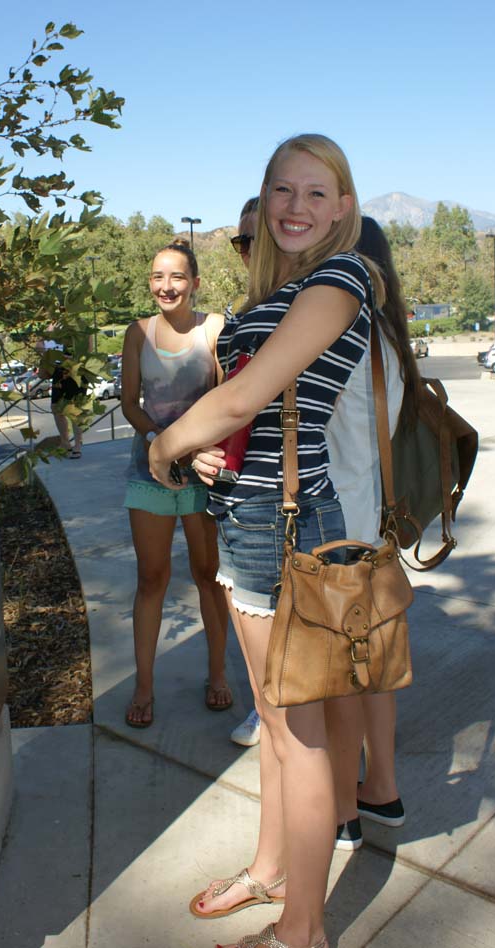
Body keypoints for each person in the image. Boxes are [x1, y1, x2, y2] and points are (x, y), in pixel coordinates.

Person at [150, 134, 383, 948]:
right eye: (282, 190)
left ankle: (303, 933)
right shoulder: (279, 290)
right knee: (278, 730)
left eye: (317, 193)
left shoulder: (343, 276)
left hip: (290, 528)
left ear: (344, 207)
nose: (296, 206)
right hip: (249, 516)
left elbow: (249, 390)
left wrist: (166, 444)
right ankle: (270, 869)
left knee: (302, 740)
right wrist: (212, 449)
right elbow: (247, 411)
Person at [324, 217, 420, 850]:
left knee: (335, 683)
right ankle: (380, 790)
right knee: (374, 671)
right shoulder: (390, 336)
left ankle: (339, 812)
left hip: (336, 534)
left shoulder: (342, 328)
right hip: (374, 530)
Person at [121, 242, 231, 729]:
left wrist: (192, 448)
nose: (166, 286)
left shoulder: (214, 329)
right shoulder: (136, 333)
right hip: (149, 472)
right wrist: (158, 442)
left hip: (204, 472)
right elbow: (129, 403)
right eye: (157, 276)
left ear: (195, 283)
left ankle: (218, 675)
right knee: (152, 580)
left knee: (208, 577)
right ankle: (143, 686)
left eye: (177, 277)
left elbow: (228, 398)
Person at [227, 197, 263, 751]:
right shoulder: (244, 315)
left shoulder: (314, 305)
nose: (252, 253)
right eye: (244, 242)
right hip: (245, 500)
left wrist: (170, 447)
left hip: (304, 503)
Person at [39, 337, 85, 458]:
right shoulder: (49, 332)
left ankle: (78, 444)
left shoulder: (77, 332)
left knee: (75, 410)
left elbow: (87, 350)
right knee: (56, 408)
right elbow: (39, 346)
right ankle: (65, 442)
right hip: (58, 374)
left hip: (75, 374)